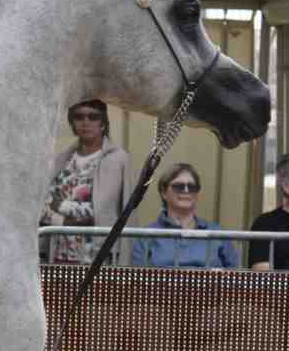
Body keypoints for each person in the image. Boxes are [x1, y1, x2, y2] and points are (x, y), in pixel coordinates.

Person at [39, 100, 130, 264]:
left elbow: (100, 210)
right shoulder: (61, 159)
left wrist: (59, 206)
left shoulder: (117, 159)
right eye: (79, 116)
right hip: (57, 255)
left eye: (93, 117)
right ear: (72, 123)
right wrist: (64, 222)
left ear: (103, 123)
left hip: (96, 259)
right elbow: (40, 204)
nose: (85, 122)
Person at [129, 162, 238, 268]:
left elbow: (236, 278)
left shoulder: (217, 233)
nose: (186, 190)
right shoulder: (146, 236)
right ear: (164, 193)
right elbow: (138, 280)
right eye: (179, 186)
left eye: (192, 187)